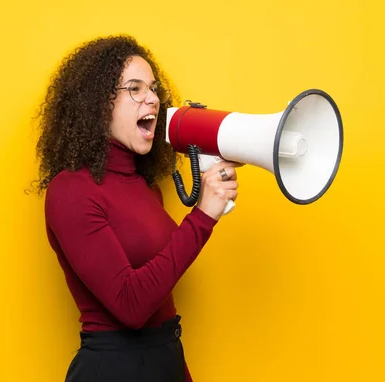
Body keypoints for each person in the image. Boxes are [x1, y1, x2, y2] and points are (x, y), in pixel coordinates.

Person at [31, 34, 241, 382]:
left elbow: (161, 299)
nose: (153, 99)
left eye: (154, 89)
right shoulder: (70, 191)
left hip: (164, 359)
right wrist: (203, 215)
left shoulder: (147, 189)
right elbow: (132, 305)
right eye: (135, 88)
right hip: (112, 369)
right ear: (99, 104)